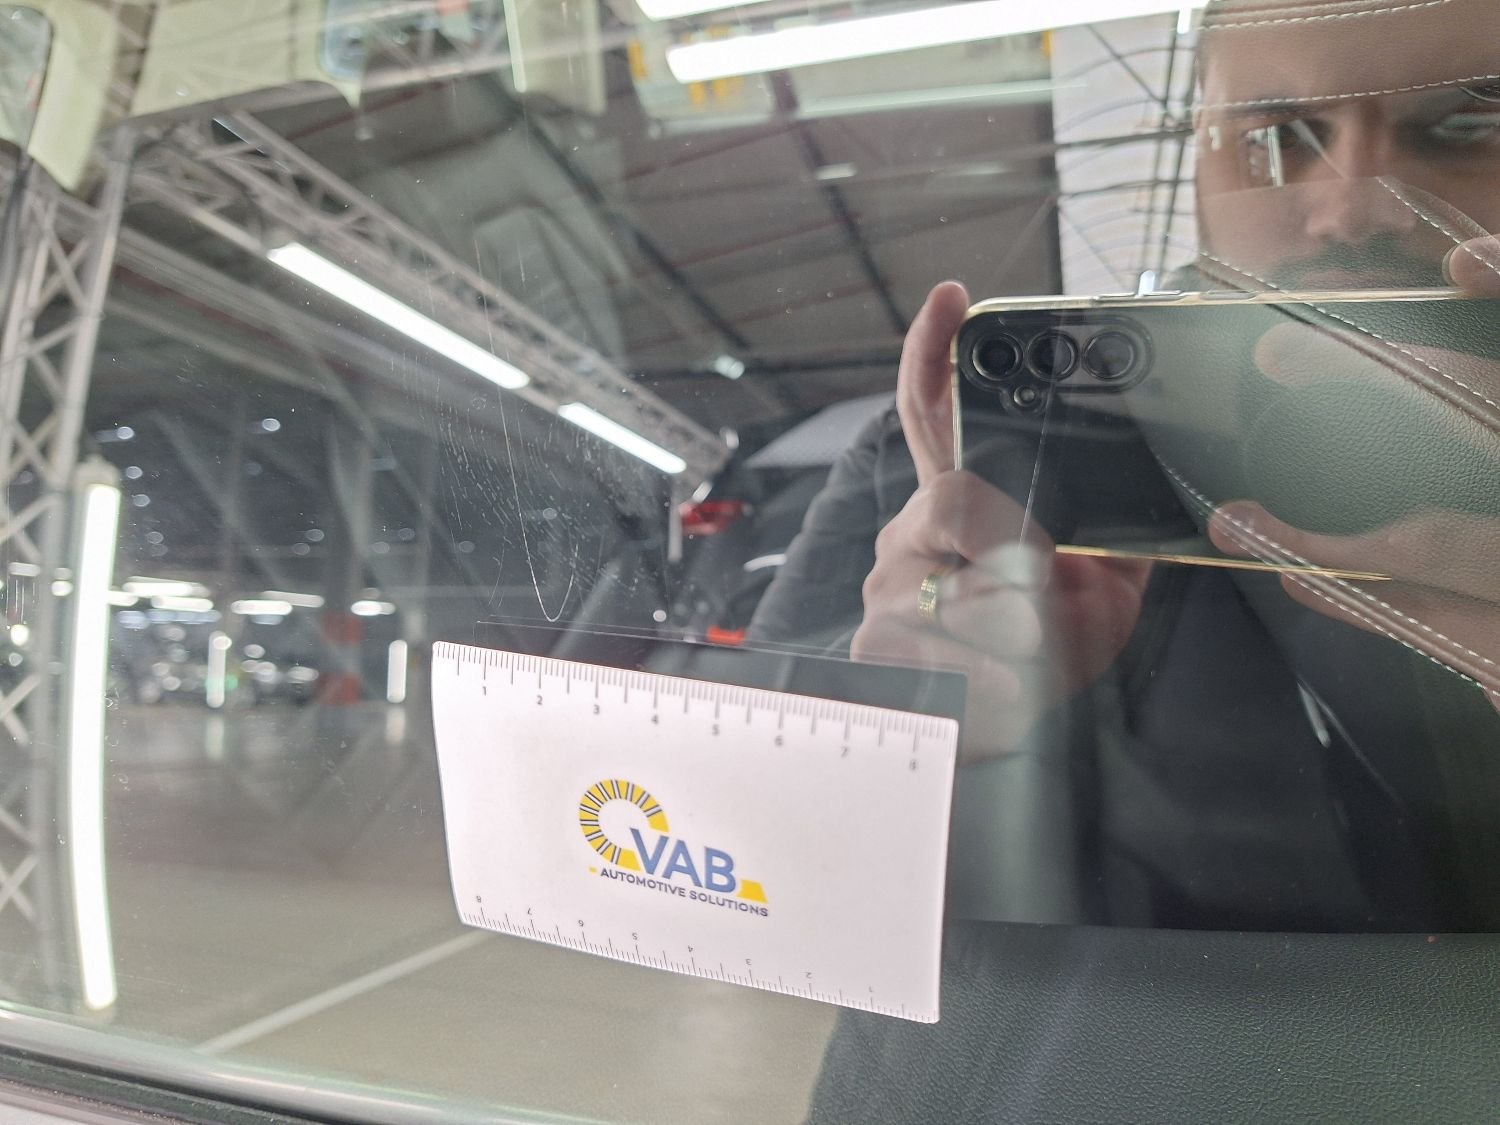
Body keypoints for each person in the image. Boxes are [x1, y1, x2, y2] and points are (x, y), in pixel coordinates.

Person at [750, 0, 1500, 931]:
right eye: (1272, 138)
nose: (1348, 209)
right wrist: (912, 727)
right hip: (1127, 1016)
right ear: (1199, 159)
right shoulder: (958, 456)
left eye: (1471, 125)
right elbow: (736, 845)